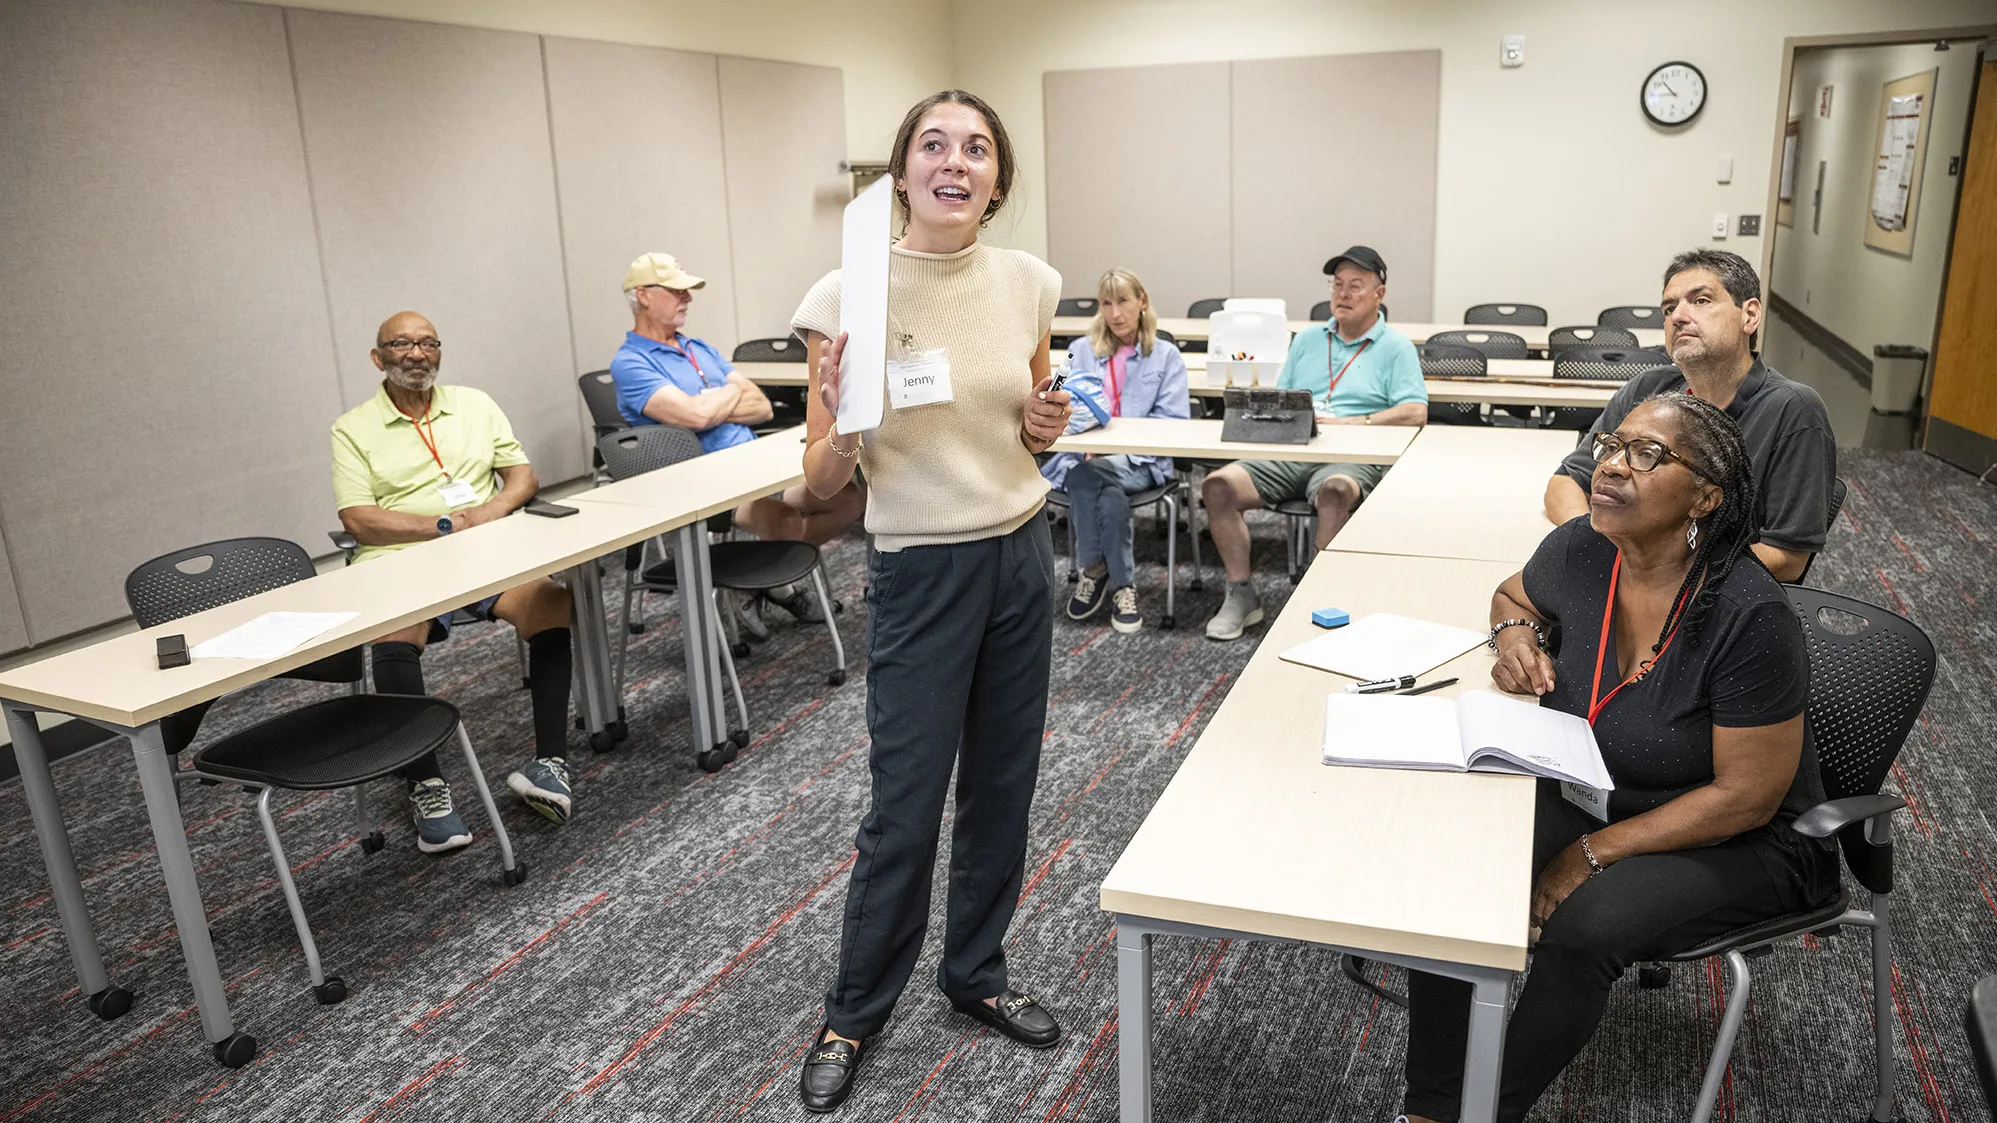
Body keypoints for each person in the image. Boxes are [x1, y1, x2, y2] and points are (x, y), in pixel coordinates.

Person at [1401, 392, 1838, 1123]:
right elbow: (1514, 593)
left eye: (1646, 455)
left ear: (1705, 495)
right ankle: (1431, 1108)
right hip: (1600, 788)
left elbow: (1747, 795)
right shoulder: (1582, 548)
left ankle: (1483, 1114)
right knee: (1456, 869)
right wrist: (1514, 636)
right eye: (1611, 444)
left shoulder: (1747, 612)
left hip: (1744, 837)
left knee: (1585, 925)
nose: (1609, 465)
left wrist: (1588, 854)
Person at [788, 89, 1068, 1113]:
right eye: (934, 145)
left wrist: (1044, 422)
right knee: (904, 808)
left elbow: (1034, 430)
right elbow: (816, 486)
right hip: (918, 570)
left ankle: (976, 974)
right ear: (901, 169)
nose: (956, 162)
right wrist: (845, 414)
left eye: (977, 148)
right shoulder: (845, 292)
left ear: (997, 178)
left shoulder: (1028, 281)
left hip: (1017, 555)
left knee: (1001, 786)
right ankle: (852, 1012)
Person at [331, 312, 578, 853]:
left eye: (427, 343)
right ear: (378, 358)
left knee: (551, 600)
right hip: (399, 557)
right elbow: (357, 519)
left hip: (482, 549)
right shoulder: (352, 428)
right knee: (397, 631)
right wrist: (438, 526)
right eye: (401, 344)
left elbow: (522, 476)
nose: (416, 353)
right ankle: (427, 785)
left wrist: (489, 512)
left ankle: (549, 763)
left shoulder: (475, 403)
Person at [1543, 249, 1836, 582]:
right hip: (1628, 577)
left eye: (1701, 301)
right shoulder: (1648, 389)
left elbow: (1786, 556)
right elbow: (1565, 482)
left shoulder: (1793, 409)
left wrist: (1661, 576)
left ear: (1749, 316)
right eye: (1669, 308)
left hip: (1713, 601)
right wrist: (1598, 550)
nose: (1678, 316)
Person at [611, 252, 864, 624]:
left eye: (688, 292)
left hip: (753, 466)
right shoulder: (630, 363)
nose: (688, 299)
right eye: (677, 291)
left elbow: (760, 405)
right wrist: (727, 394)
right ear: (644, 295)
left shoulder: (699, 349)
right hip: (704, 485)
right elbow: (695, 417)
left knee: (848, 500)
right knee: (785, 522)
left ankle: (760, 584)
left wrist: (711, 403)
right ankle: (774, 585)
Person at [1201, 246, 1426, 641]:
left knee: (1336, 491)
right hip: (1294, 448)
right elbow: (1281, 396)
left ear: (1380, 294)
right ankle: (1241, 595)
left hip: (1352, 455)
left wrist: (1354, 420)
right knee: (1218, 485)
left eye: (1356, 286)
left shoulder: (1396, 348)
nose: (1343, 294)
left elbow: (1414, 411)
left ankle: (1319, 600)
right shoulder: (1306, 339)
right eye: (1337, 285)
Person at [1041, 267, 1190, 633]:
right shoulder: (1080, 351)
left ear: (1142, 302)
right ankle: (1123, 585)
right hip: (1085, 458)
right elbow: (1057, 403)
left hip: (1142, 461)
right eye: (1106, 303)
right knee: (1105, 491)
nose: (1115, 313)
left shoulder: (1166, 355)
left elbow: (1173, 419)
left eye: (1123, 301)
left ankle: (1092, 571)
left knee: (1086, 477)